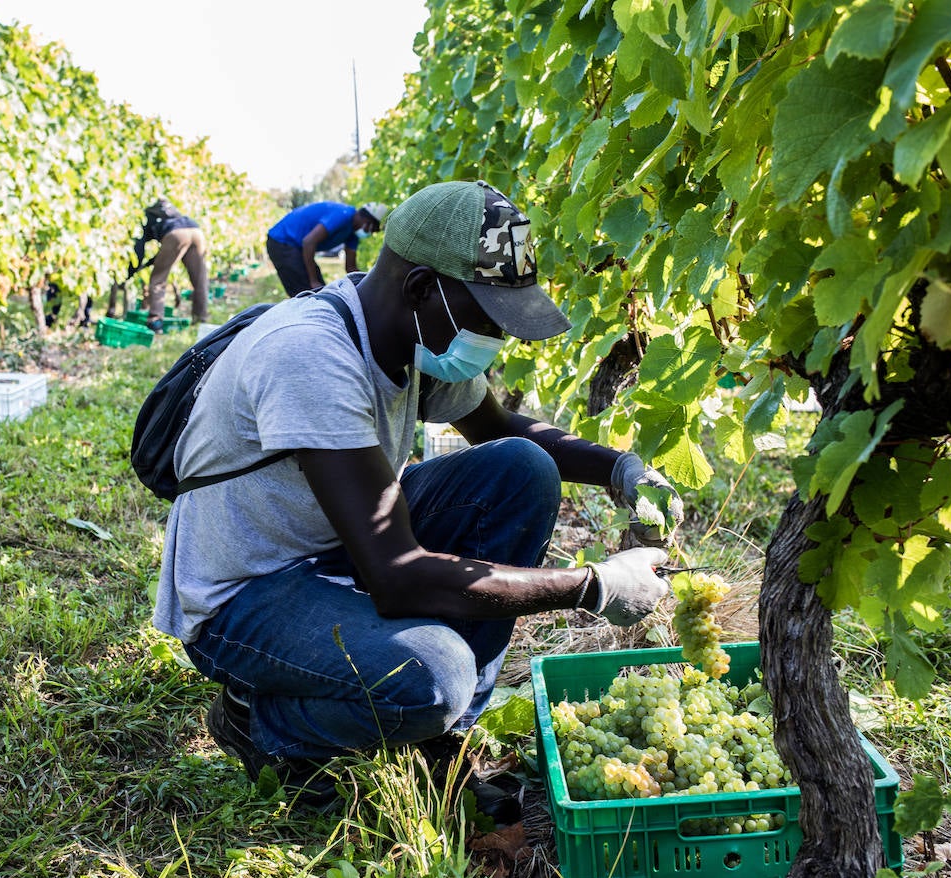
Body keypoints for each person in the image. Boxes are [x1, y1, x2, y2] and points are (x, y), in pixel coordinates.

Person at [153, 179, 683, 807]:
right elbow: (399, 575)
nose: (499, 339)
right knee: (434, 674)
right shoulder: (311, 357)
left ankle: (442, 751)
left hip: (333, 549)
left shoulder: (407, 337)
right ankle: (262, 720)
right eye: (488, 319)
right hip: (247, 594)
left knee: (520, 468)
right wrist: (591, 586)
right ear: (422, 289)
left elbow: (502, 430)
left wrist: (620, 468)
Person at [265, 200, 388, 297]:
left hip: (297, 247)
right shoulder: (343, 214)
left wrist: (372, 284)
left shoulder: (353, 235)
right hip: (282, 241)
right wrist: (313, 281)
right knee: (306, 294)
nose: (369, 233)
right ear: (367, 221)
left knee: (321, 292)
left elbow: (350, 268)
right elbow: (309, 242)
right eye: (371, 229)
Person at [134, 199, 210, 328]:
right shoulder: (173, 212)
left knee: (158, 279)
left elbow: (139, 248)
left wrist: (135, 268)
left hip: (175, 234)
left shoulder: (147, 216)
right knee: (200, 280)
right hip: (196, 231)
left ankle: (155, 320)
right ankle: (200, 319)